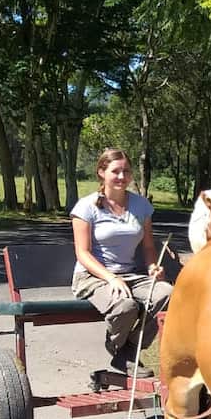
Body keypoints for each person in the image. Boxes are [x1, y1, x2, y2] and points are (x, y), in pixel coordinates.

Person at [71, 148, 172, 378]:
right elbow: (83, 254)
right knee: (126, 306)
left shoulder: (141, 206)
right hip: (93, 276)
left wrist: (152, 267)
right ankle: (117, 347)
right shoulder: (86, 207)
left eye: (126, 171)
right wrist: (111, 278)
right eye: (115, 171)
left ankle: (126, 351)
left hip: (131, 275)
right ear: (101, 173)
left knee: (168, 294)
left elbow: (147, 247)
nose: (121, 176)